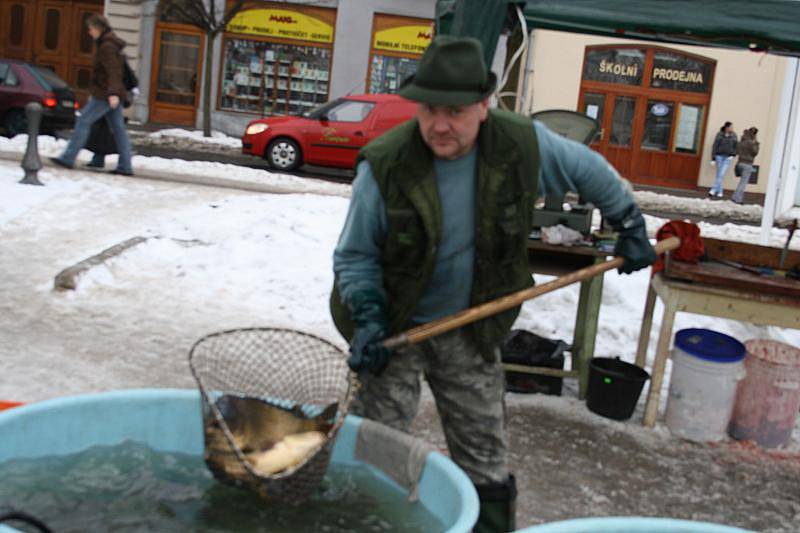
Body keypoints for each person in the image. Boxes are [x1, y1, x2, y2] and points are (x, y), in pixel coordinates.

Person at [330, 36, 655, 533]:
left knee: (483, 453)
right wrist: (368, 315)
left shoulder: (522, 145)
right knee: (377, 448)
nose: (440, 125)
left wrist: (629, 223)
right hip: (393, 326)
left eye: (456, 111)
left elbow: (590, 171)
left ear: (484, 105)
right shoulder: (386, 165)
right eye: (430, 109)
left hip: (471, 326)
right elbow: (355, 255)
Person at [51, 14, 133, 176]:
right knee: (118, 129)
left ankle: (68, 157)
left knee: (83, 121)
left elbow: (113, 71)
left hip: (104, 94)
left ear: (98, 28)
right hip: (109, 93)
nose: (89, 32)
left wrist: (113, 93)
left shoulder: (107, 47)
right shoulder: (107, 44)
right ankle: (125, 165)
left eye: (90, 29)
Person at [709, 121, 738, 198]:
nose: (732, 128)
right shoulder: (720, 134)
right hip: (719, 156)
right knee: (719, 174)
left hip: (728, 157)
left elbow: (736, 146)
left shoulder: (734, 135)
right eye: (731, 127)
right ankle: (720, 191)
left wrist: (733, 154)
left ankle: (713, 190)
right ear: (726, 127)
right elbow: (715, 146)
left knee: (721, 174)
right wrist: (713, 158)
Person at [731, 127, 759, 204]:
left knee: (741, 182)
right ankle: (737, 199)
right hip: (747, 164)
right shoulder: (751, 143)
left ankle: (735, 197)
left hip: (740, 163)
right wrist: (756, 143)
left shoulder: (742, 141)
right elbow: (755, 152)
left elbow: (737, 150)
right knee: (743, 183)